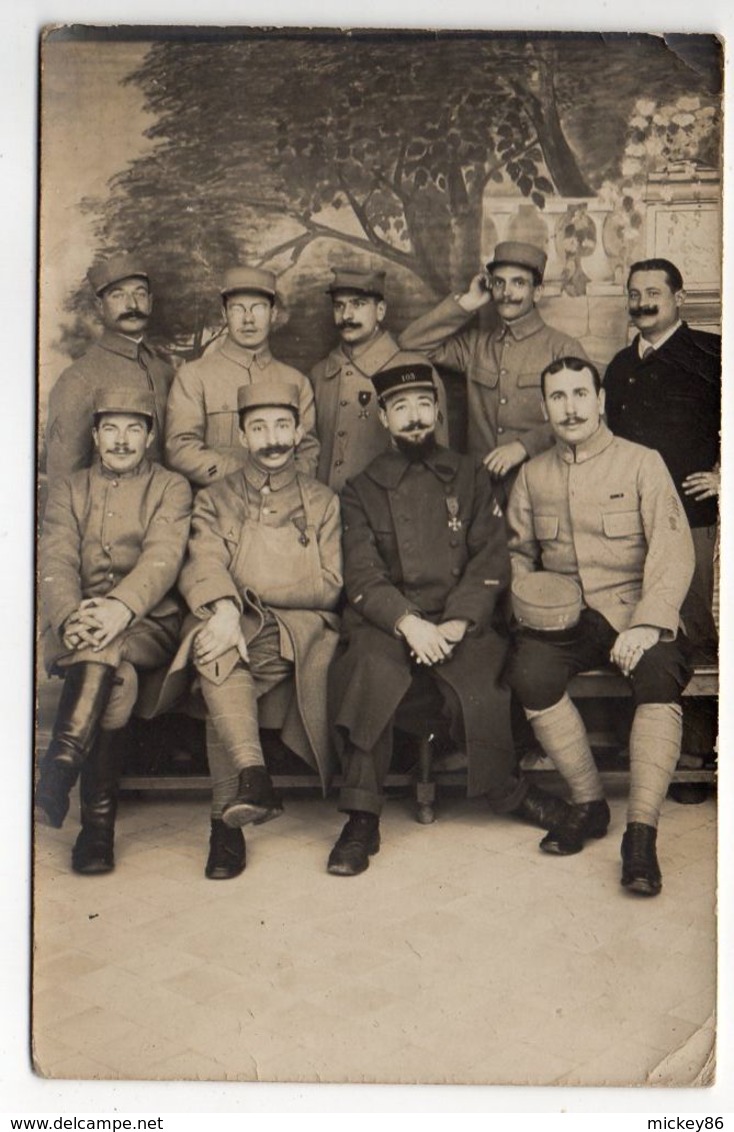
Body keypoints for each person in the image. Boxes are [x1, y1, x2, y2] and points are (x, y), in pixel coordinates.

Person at [326, 362, 573, 877]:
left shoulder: (471, 476)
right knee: (371, 670)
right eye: (400, 408)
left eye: (422, 405)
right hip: (389, 623)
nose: (414, 418)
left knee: (482, 679)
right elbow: (363, 574)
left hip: (460, 620)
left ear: (437, 412)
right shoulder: (361, 488)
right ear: (385, 421)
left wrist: (457, 623)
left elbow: (490, 560)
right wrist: (410, 625)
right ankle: (361, 815)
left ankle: (510, 792)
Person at [504, 356, 695, 896]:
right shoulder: (533, 474)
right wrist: (536, 606)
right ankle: (588, 804)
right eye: (558, 398)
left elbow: (674, 550)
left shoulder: (642, 463)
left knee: (659, 673)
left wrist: (647, 623)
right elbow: (518, 554)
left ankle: (641, 834)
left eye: (580, 394)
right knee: (530, 673)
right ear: (545, 407)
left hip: (636, 609)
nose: (570, 407)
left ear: (601, 400)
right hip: (568, 620)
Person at [160, 382, 342, 879]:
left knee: (215, 670)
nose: (273, 439)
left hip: (300, 627)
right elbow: (203, 561)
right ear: (241, 434)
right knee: (214, 649)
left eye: (283, 425)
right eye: (259, 427)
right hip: (236, 620)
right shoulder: (215, 498)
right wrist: (222, 608)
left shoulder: (324, 501)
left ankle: (226, 823)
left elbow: (328, 586)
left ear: (300, 430)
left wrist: (245, 593)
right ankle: (251, 784)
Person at [36, 388, 192, 874]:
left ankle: (58, 770)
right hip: (80, 623)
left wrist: (119, 609)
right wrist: (70, 615)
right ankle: (96, 830)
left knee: (107, 647)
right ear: (94, 434)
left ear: (150, 437)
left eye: (133, 429)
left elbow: (161, 560)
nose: (121, 441)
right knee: (117, 683)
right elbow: (56, 558)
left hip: (148, 622)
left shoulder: (171, 486)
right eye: (110, 428)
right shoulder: (68, 487)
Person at [399, 240, 587, 496]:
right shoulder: (476, 345)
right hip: (481, 491)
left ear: (538, 292)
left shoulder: (562, 348)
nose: (507, 293)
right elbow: (412, 343)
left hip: (542, 488)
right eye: (499, 282)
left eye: (518, 283)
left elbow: (592, 419)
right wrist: (467, 303)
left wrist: (524, 446)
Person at [603, 258, 721, 654]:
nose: (642, 303)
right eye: (634, 295)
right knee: (641, 622)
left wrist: (725, 479)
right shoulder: (619, 366)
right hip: (629, 517)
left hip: (690, 515)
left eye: (653, 293)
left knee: (694, 626)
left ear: (679, 297)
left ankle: (708, 715)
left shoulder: (713, 355)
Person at [165, 267, 320, 486]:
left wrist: (281, 485)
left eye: (258, 308)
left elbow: (308, 451)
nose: (248, 319)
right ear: (224, 314)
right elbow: (180, 448)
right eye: (238, 309)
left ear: (273, 314)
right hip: (216, 508)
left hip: (283, 510)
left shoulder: (297, 382)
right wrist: (246, 476)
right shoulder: (193, 376)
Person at [310, 268, 449, 489]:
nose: (346, 315)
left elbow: (436, 458)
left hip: (389, 513)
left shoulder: (414, 368)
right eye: (339, 306)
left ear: (381, 310)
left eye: (358, 304)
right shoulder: (319, 374)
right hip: (327, 512)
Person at [46, 253, 172, 480]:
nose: (132, 305)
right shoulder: (79, 378)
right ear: (99, 306)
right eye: (118, 295)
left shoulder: (164, 371)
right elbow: (64, 480)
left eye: (140, 294)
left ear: (150, 303)